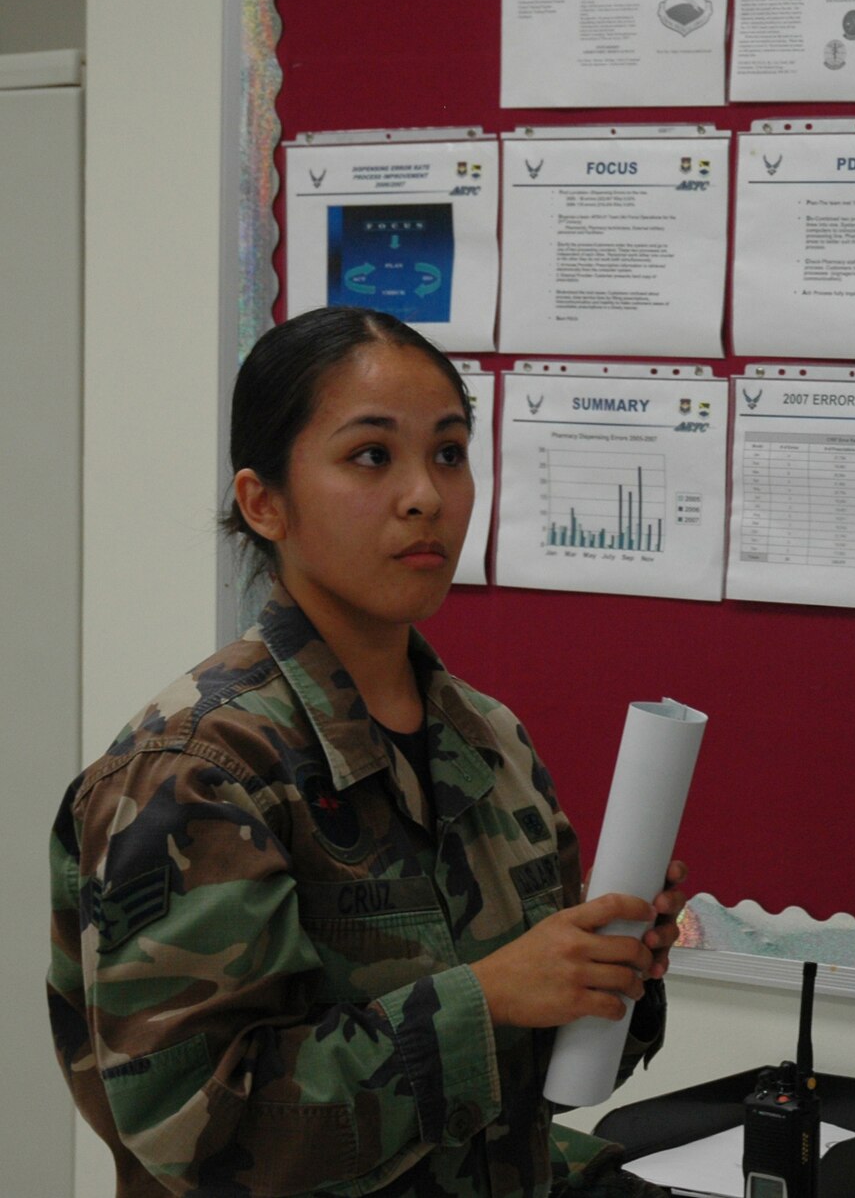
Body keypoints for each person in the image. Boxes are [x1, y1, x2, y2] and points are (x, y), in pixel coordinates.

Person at [49, 307, 685, 1197]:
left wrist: (608, 974)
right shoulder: (196, 768)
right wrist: (490, 996)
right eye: (371, 456)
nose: (425, 494)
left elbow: (531, 1098)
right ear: (263, 501)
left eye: (451, 452)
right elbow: (198, 1135)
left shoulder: (487, 740)